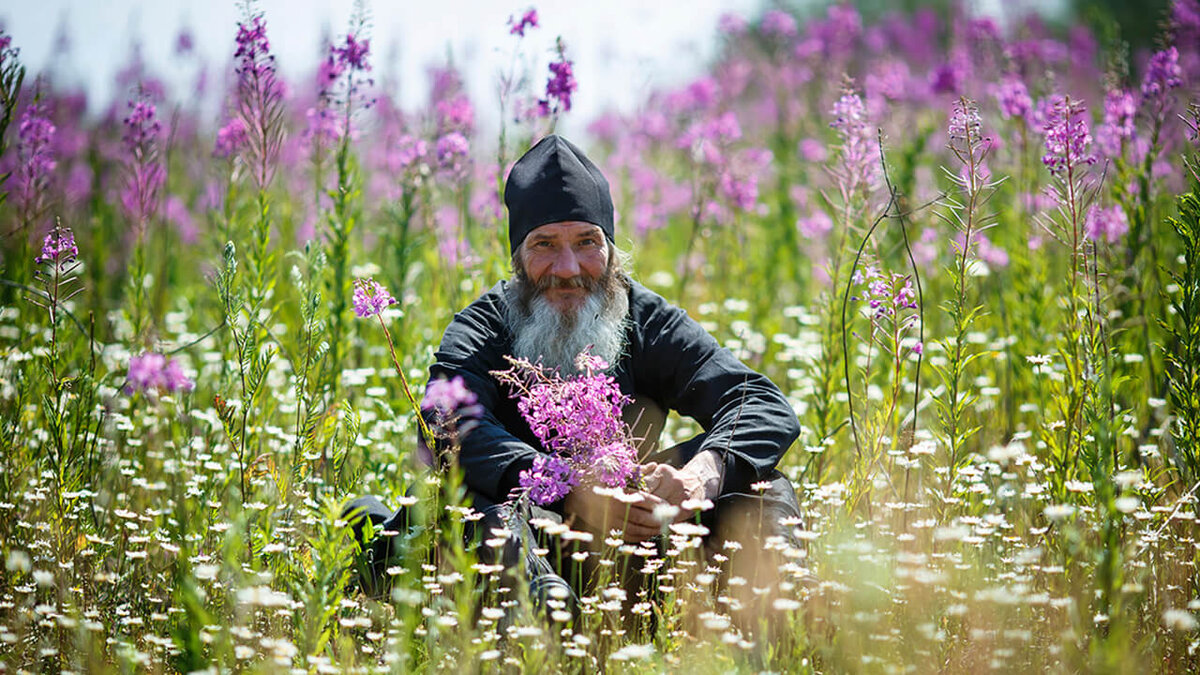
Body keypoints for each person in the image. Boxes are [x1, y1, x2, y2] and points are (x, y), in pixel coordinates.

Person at [347, 135, 803, 615]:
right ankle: (547, 620)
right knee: (484, 509)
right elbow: (448, 423)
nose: (568, 269)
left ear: (610, 249)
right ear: (518, 258)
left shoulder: (644, 318)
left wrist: (701, 476)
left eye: (587, 242)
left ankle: (790, 605)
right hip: (528, 539)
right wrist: (569, 487)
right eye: (545, 245)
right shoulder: (484, 325)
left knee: (760, 482)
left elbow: (760, 402)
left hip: (636, 542)